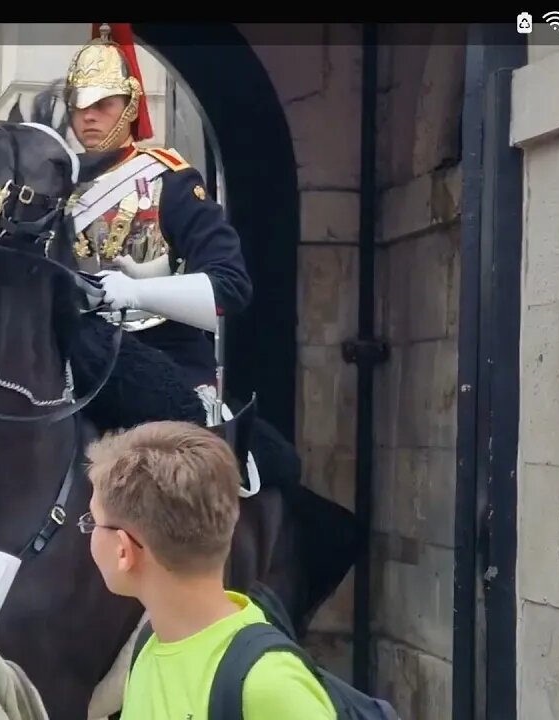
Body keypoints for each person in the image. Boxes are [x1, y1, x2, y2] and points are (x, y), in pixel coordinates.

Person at [80, 420, 336, 719]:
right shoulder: (151, 644)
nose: (89, 530)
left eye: (93, 521)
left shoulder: (268, 684)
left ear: (123, 550)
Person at [63, 23, 253, 395]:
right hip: (70, 359)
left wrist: (137, 293)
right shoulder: (54, 183)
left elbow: (229, 286)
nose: (88, 116)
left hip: (163, 355)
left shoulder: (170, 180)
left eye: (102, 104)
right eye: (79, 104)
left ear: (129, 105)